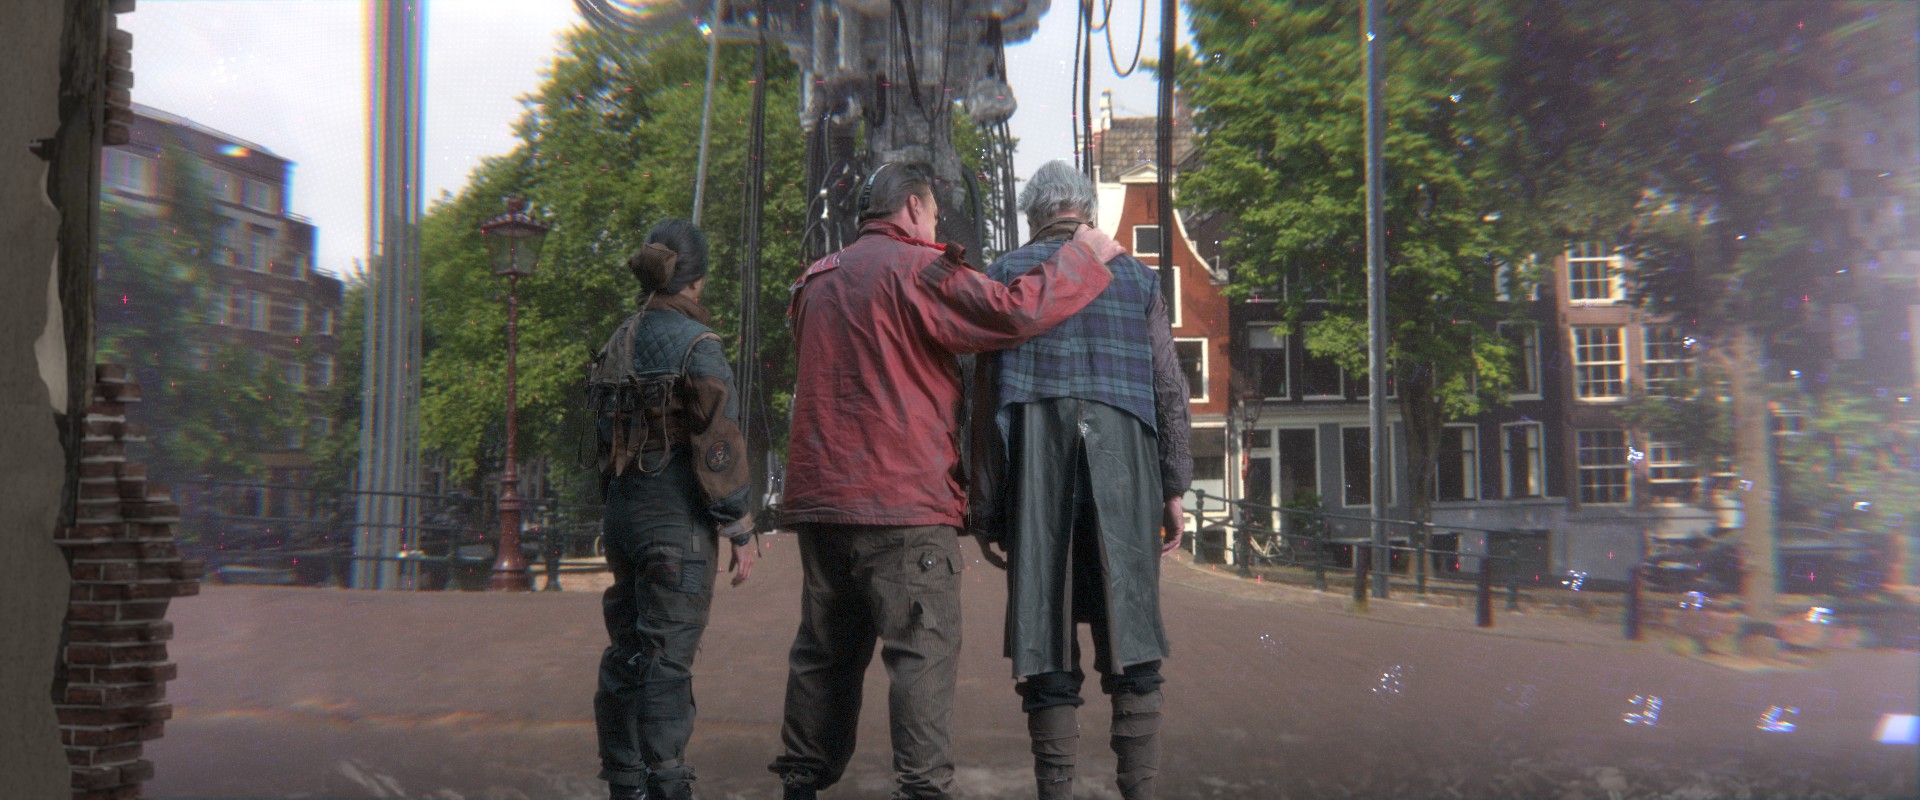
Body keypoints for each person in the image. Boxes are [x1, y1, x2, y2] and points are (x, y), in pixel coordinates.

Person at [770, 161, 1124, 800]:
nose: (936, 229)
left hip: (822, 503)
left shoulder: (814, 280)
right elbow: (1010, 312)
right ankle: (924, 788)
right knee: (921, 654)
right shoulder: (921, 270)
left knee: (823, 652)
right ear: (913, 206)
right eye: (934, 215)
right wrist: (1085, 257)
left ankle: (800, 780)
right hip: (904, 503)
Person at [971, 160, 1191, 800]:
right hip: (1127, 469)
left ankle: (1057, 789)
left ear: (1032, 216)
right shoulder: (1138, 278)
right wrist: (1173, 485)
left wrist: (987, 508)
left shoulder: (1002, 276)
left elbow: (980, 406)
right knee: (1133, 633)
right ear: (1086, 212)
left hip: (1034, 470)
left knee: (1044, 633)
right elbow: (1169, 389)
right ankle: (1139, 789)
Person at [587, 219, 757, 800]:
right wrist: (739, 526)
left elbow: (603, 436)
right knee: (666, 660)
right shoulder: (698, 345)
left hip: (622, 515)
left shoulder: (617, 339)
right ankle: (666, 784)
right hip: (673, 520)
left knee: (628, 650)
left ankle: (624, 780)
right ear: (697, 281)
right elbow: (718, 440)